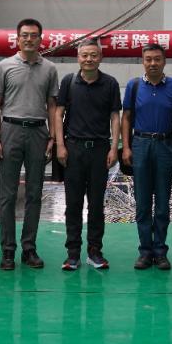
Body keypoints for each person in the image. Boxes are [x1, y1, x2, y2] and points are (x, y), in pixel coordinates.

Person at [0, 18, 59, 270]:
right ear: (17, 39)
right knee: (7, 195)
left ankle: (29, 248)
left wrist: (52, 137)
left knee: (34, 193)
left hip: (38, 132)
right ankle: (8, 250)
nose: (29, 39)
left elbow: (52, 106)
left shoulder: (49, 68)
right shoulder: (4, 66)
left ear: (41, 39)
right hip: (10, 129)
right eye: (25, 35)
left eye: (34, 35)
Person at [55, 39, 121, 271]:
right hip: (73, 149)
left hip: (100, 151)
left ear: (100, 57)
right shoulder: (68, 82)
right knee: (73, 204)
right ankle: (72, 253)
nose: (89, 59)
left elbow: (115, 117)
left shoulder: (110, 83)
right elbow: (58, 113)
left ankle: (95, 252)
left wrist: (114, 147)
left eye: (93, 55)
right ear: (78, 58)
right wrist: (60, 145)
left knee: (96, 204)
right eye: (84, 55)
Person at [121, 43, 172, 270]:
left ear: (164, 61)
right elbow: (126, 117)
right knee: (142, 202)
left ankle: (160, 251)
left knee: (162, 202)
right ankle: (145, 251)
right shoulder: (134, 86)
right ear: (143, 61)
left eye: (157, 59)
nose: (153, 63)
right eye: (148, 59)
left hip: (165, 146)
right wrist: (126, 147)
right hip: (140, 145)